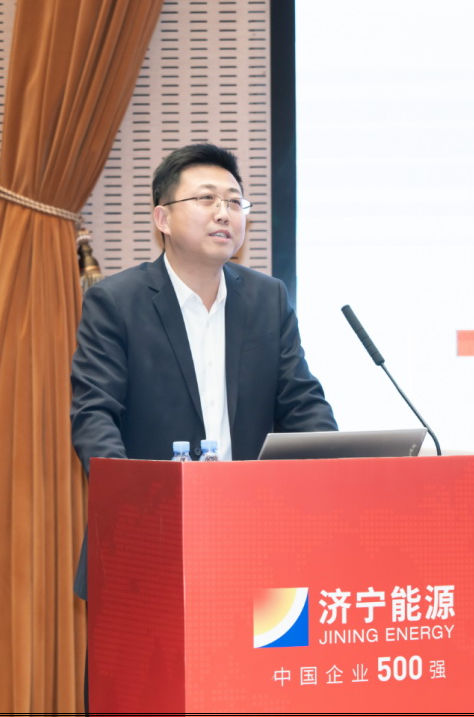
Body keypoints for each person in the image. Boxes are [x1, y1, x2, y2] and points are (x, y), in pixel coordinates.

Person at [70, 143, 337, 598]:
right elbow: (95, 414)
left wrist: (339, 470)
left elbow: (301, 402)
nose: (223, 212)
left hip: (256, 538)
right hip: (149, 538)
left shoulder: (267, 298)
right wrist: (131, 500)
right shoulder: (116, 302)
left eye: (234, 201)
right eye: (206, 198)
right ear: (162, 219)